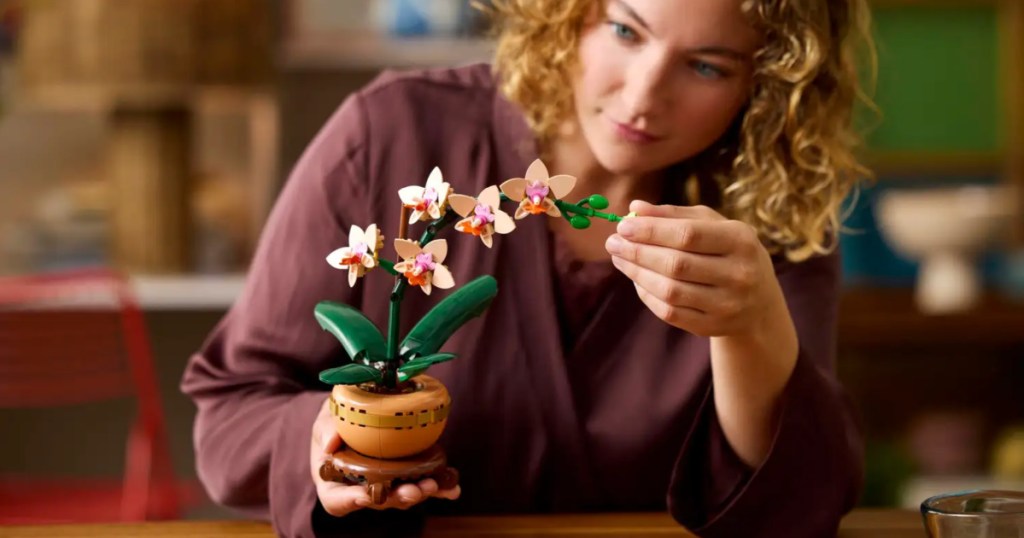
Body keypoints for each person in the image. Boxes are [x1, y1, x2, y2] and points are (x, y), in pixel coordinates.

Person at [181, 0, 874, 536]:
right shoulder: (391, 135)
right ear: (570, 13)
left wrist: (751, 329)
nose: (642, 95)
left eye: (708, 67)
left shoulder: (773, 209)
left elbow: (801, 507)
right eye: (626, 32)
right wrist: (327, 448)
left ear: (769, 86)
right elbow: (232, 414)